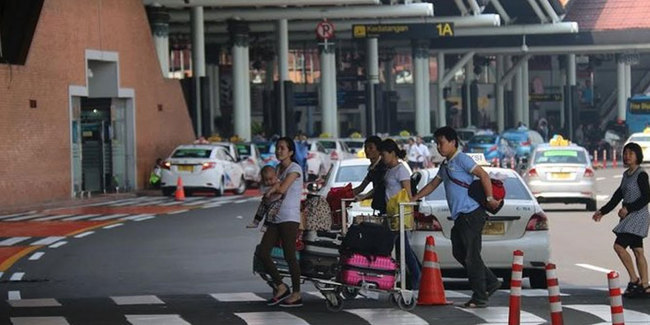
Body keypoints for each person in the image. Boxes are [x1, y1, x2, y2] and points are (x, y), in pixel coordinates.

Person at [411, 126, 502, 308]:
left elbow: (483, 174)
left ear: (453, 142)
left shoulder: (461, 159)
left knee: (471, 256)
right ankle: (491, 282)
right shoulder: (446, 165)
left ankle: (480, 297)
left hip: (471, 213)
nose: (438, 147)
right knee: (460, 252)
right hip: (460, 216)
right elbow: (433, 184)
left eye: (441, 143)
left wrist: (490, 198)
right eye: (437, 143)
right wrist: (414, 198)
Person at [592, 142, 650, 298]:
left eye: (631, 153)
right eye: (625, 153)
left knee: (619, 246)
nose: (627, 156)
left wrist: (628, 209)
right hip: (630, 216)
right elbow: (617, 196)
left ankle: (634, 279)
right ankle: (645, 285)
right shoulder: (626, 175)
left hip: (638, 216)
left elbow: (646, 197)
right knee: (638, 250)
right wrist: (602, 211)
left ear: (638, 156)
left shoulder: (641, 174)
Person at [257, 137, 304, 307]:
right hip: (275, 218)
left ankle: (297, 293)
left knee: (289, 255)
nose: (279, 151)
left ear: (291, 152)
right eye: (277, 148)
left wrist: (272, 190)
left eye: (283, 148)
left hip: (289, 218)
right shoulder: (277, 169)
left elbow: (283, 189)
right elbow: (266, 186)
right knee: (263, 252)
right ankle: (281, 286)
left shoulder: (295, 168)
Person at [379, 138, 421, 290]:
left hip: (401, 214)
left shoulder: (401, 169)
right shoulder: (389, 170)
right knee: (402, 248)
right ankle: (416, 277)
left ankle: (416, 279)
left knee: (404, 249)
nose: (382, 158)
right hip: (392, 214)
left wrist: (407, 212)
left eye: (383, 154)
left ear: (392, 153)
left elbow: (408, 194)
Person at [352, 136, 388, 214]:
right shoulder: (373, 168)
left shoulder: (382, 167)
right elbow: (361, 188)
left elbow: (380, 187)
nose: (367, 150)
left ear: (379, 150)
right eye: (366, 148)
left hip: (388, 206)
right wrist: (343, 194)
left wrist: (364, 196)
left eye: (371, 148)